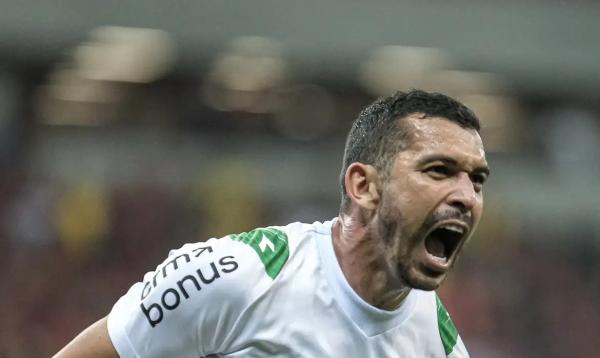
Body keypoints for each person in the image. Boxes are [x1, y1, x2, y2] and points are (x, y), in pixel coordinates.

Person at [54, 89, 489, 357]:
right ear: (363, 186)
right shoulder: (234, 276)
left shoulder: (437, 345)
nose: (466, 196)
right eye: (438, 170)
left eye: (477, 180)